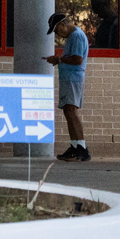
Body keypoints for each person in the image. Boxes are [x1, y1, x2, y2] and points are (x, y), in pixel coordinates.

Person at [46, 11, 90, 161]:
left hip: (73, 79)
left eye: (57, 30)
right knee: (68, 112)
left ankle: (81, 148)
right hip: (69, 79)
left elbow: (77, 59)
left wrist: (58, 59)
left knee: (71, 111)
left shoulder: (76, 36)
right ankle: (74, 146)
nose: (58, 35)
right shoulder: (73, 36)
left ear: (62, 25)